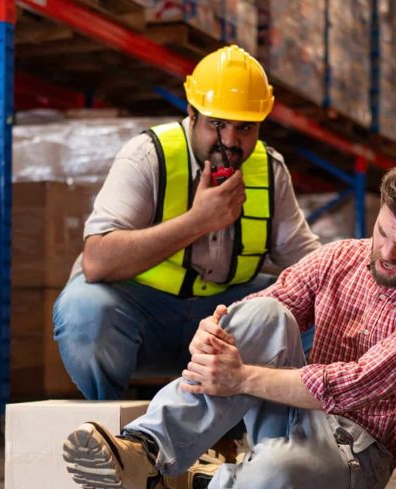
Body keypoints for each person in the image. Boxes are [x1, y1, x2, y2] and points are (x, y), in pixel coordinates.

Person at [61, 160, 396, 489]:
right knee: (266, 314)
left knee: (270, 484)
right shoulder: (341, 257)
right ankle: (143, 450)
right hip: (296, 412)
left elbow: (356, 385)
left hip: (359, 453)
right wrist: (213, 328)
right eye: (383, 232)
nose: (386, 252)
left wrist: (241, 378)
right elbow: (263, 306)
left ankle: (199, 479)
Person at [53, 45, 320, 400]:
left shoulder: (269, 170)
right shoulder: (148, 156)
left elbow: (309, 263)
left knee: (317, 312)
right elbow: (97, 261)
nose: (229, 142)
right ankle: (113, 426)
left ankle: (245, 428)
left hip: (222, 321)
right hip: (143, 316)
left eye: (244, 128)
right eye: (216, 124)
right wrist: (197, 221)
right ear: (191, 114)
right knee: (84, 309)